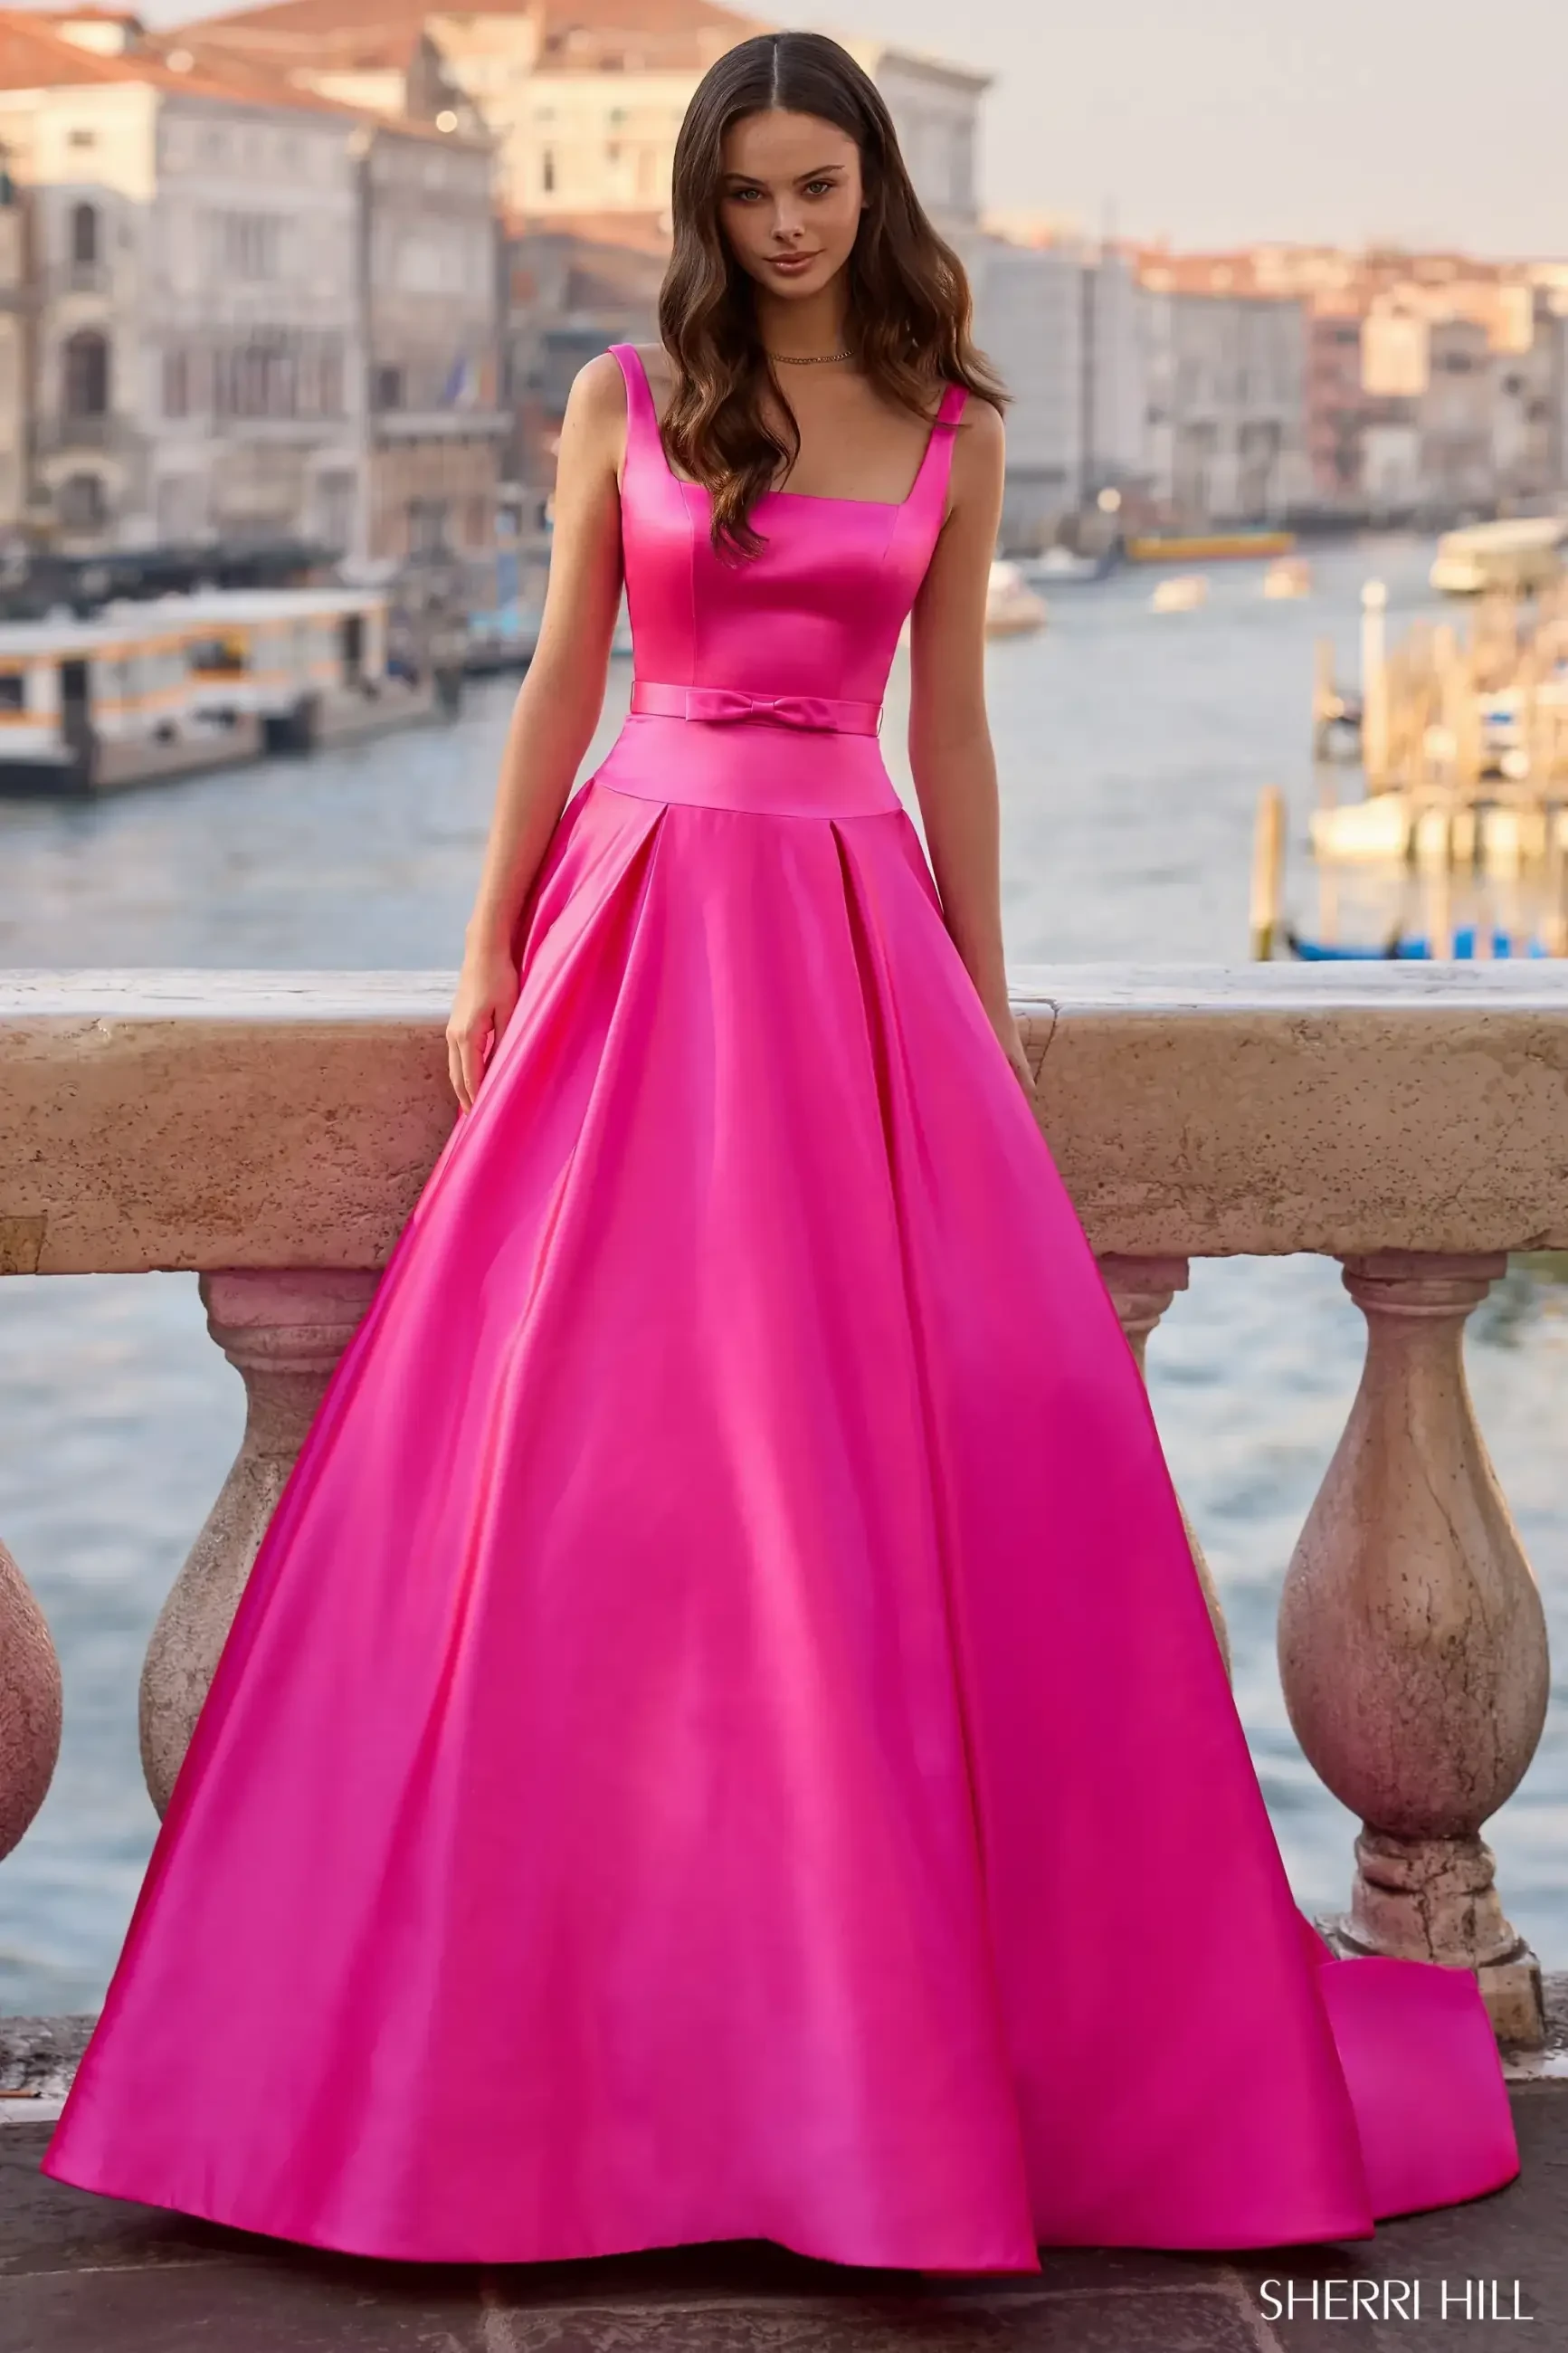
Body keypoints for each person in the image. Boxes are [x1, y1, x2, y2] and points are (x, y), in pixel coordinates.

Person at [43, 29, 1517, 2275]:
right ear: (706, 209)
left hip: (846, 945)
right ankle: (531, 2061)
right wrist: (482, 948)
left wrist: (986, 998)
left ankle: (864, 2061)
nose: (785, 226)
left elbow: (955, 733)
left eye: (816, 185)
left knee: (872, 1482)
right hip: (630, 933)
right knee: (561, 1485)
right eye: (747, 196)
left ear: (873, 183)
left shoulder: (956, 425)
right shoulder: (623, 406)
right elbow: (556, 678)